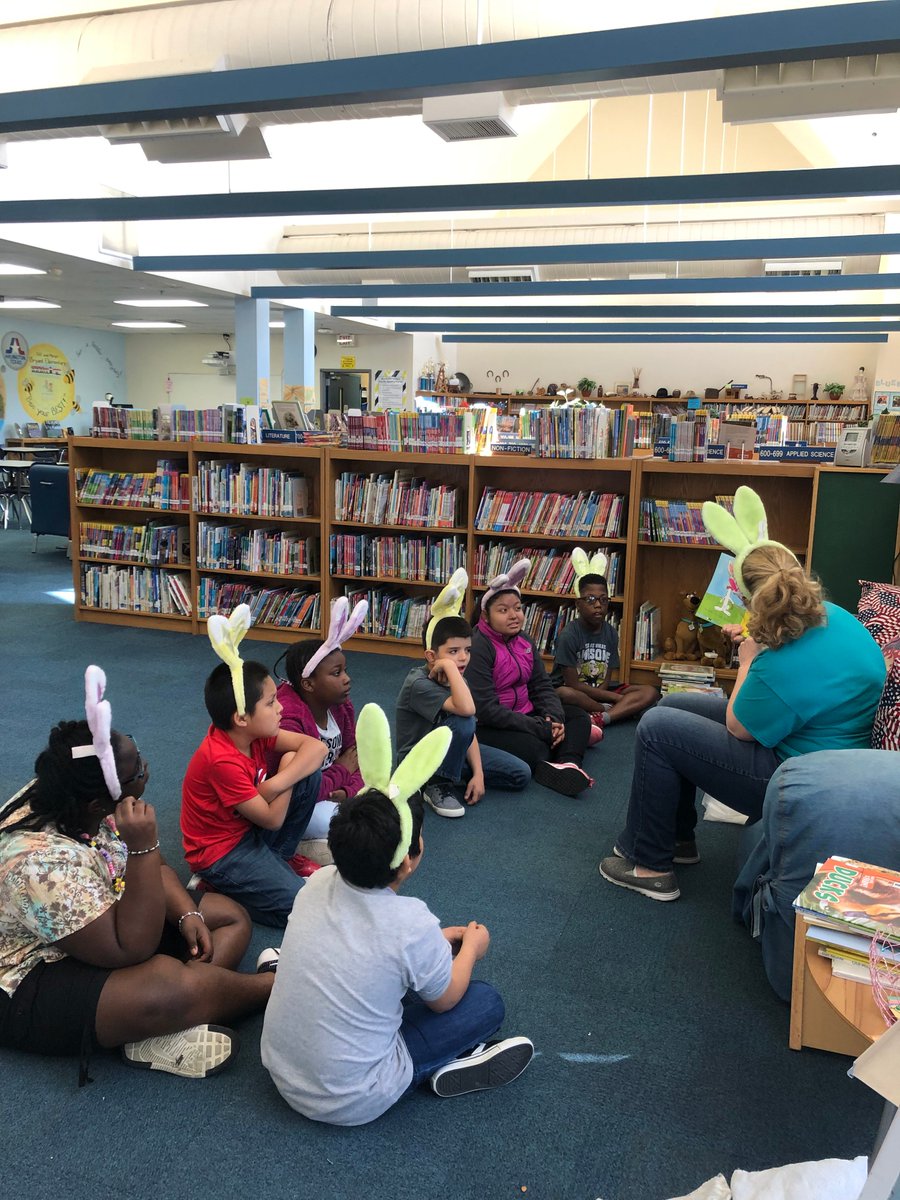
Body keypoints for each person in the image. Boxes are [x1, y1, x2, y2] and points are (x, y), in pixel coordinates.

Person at [599, 487, 887, 903]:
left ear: (753, 600)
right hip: (828, 748)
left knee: (659, 727)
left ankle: (650, 865)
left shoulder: (778, 663)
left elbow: (739, 726)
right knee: (673, 704)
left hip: (797, 774)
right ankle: (675, 840)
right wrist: (762, 642)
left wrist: (750, 657)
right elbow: (803, 671)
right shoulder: (835, 617)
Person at [260, 704, 534, 1125]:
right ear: (409, 858)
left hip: (279, 1070)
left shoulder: (317, 882)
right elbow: (446, 1000)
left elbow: (373, 942)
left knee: (392, 980)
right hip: (351, 1099)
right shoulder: (410, 922)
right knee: (485, 1003)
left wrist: (436, 942)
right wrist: (471, 950)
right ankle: (440, 1065)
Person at [0, 667, 274, 1082]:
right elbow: (131, 950)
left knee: (228, 917)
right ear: (98, 801)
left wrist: (187, 914)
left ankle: (158, 1022)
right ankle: (276, 990)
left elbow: (155, 874)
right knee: (167, 981)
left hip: (101, 909)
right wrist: (144, 846)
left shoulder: (78, 794)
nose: (145, 769)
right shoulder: (37, 863)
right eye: (136, 772)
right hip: (29, 975)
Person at [182, 606, 327, 927]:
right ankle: (217, 890)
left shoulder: (256, 732)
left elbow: (316, 748)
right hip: (221, 854)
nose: (280, 708)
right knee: (302, 909)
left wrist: (277, 782)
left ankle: (277, 861)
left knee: (307, 773)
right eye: (271, 702)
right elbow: (273, 819)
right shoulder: (222, 759)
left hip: (247, 830)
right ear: (242, 718)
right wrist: (289, 772)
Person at [395, 568, 530, 818]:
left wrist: (478, 774)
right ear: (431, 656)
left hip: (451, 747)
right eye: (454, 651)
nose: (463, 658)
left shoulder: (457, 678)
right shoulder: (418, 683)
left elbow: (471, 733)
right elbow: (467, 713)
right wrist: (447, 666)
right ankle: (435, 783)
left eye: (467, 650)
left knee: (520, 774)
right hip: (419, 758)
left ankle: (453, 772)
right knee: (463, 719)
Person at [466, 560, 593, 797]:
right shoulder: (478, 647)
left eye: (517, 608)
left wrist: (552, 718)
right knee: (534, 749)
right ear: (486, 615)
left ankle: (567, 763)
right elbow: (486, 710)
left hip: (527, 714)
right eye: (503, 610)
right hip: (490, 725)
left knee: (578, 716)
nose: (514, 616)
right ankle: (565, 745)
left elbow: (542, 685)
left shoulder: (524, 640)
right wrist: (539, 728)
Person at [272, 601, 368, 859]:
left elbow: (358, 757)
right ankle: (297, 848)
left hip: (335, 788)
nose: (346, 679)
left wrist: (349, 790)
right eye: (336, 673)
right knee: (356, 826)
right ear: (308, 684)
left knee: (383, 794)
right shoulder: (290, 721)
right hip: (303, 800)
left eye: (345, 670)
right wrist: (342, 772)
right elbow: (302, 789)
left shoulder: (341, 706)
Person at [550, 549, 657, 737]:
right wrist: (616, 698)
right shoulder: (569, 635)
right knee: (564, 695)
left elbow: (606, 679)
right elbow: (573, 685)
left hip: (601, 692)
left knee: (650, 691)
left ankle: (602, 718)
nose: (598, 605)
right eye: (590, 599)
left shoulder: (610, 633)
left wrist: (610, 695)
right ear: (578, 604)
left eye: (603, 600)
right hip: (575, 691)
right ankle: (614, 710)